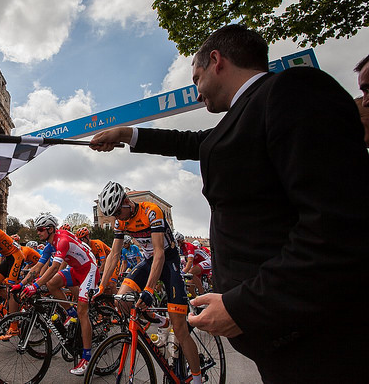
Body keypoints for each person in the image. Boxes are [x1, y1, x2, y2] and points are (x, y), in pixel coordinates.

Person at [90, 24, 369, 382]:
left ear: (216, 61)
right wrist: (127, 134)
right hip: (278, 338)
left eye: (196, 78)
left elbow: (338, 225)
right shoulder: (243, 116)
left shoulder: (292, 89)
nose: (196, 90)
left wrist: (244, 306)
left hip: (313, 337)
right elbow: (192, 142)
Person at [94, 182, 202, 383]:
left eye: (118, 212)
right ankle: (161, 321)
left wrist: (149, 290)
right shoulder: (120, 221)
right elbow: (114, 254)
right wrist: (101, 286)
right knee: (121, 300)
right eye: (113, 215)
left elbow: (159, 253)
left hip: (169, 261)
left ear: (126, 202)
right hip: (148, 260)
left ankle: (197, 378)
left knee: (180, 329)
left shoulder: (151, 211)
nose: (117, 218)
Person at [19, 213, 98, 376]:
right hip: (76, 270)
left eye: (40, 229)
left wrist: (35, 286)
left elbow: (54, 267)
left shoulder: (62, 240)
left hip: (89, 269)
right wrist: (21, 284)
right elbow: (38, 266)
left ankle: (87, 358)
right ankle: (71, 314)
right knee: (52, 283)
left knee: (83, 311)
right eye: (37, 230)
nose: (38, 233)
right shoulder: (49, 244)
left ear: (50, 229)